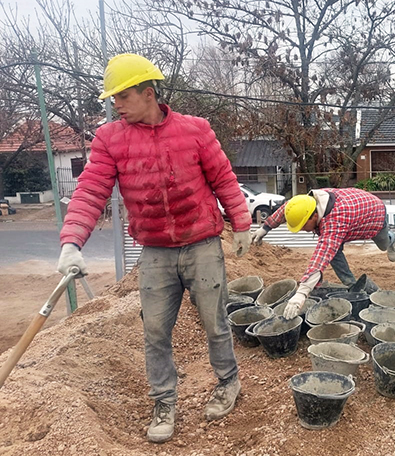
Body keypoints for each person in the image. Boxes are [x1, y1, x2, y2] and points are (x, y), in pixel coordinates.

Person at [56, 53, 253, 444]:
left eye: (122, 95)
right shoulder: (111, 139)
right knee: (155, 331)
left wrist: (242, 223)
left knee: (215, 323)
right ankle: (164, 401)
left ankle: (228, 382)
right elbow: (92, 189)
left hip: (202, 245)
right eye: (113, 98)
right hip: (156, 252)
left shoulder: (196, 130)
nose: (116, 104)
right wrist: (72, 241)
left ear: (148, 93)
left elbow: (225, 179)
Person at [250, 188, 395, 319]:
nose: (301, 230)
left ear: (314, 216)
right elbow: (287, 209)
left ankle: (391, 239)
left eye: (302, 226)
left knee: (383, 244)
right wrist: (266, 227)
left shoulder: (336, 220)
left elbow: (321, 256)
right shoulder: (309, 201)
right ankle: (352, 285)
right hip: (354, 211)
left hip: (374, 216)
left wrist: (302, 293)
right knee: (334, 251)